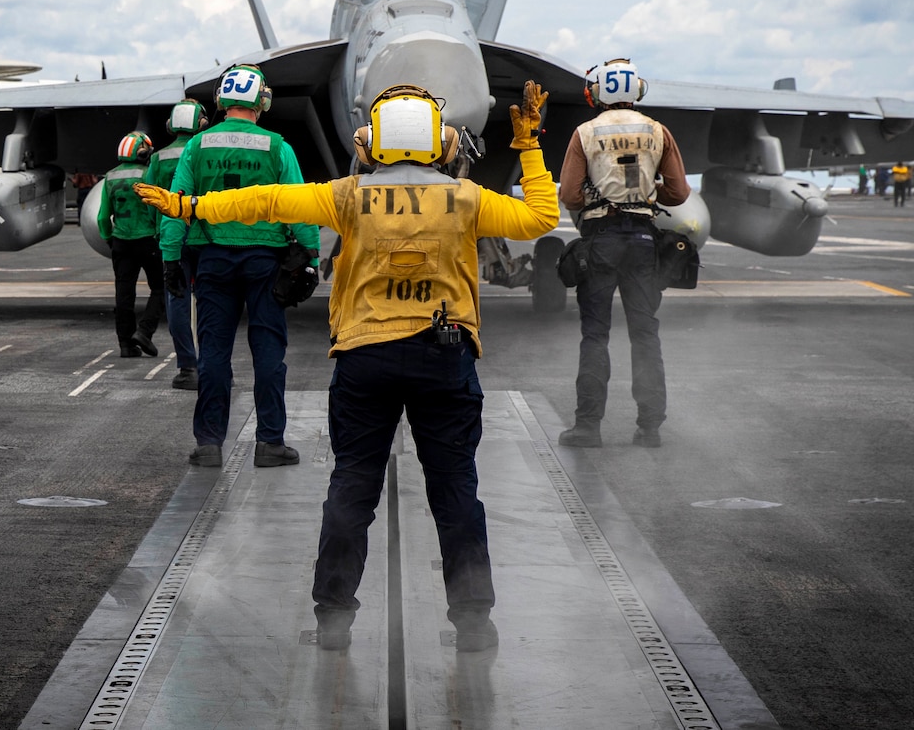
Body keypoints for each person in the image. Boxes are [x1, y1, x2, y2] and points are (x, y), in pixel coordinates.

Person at [137, 80, 558, 652]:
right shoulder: (467, 198)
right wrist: (529, 146)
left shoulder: (348, 196)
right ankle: (475, 625)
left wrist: (192, 207)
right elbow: (541, 218)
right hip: (446, 355)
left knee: (352, 488)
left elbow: (264, 201)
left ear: (372, 142)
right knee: (456, 490)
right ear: (440, 142)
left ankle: (333, 619)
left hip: (365, 356)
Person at [158, 64, 319, 470]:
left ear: (221, 100)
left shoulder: (197, 146)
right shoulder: (277, 146)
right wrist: (310, 257)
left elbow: (176, 206)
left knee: (213, 352)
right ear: (261, 100)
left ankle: (209, 443)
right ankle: (270, 443)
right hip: (265, 260)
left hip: (211, 258)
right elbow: (299, 206)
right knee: (268, 350)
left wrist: (171, 259)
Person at [557, 58, 690, 449]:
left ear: (596, 93)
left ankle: (588, 427)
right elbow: (679, 192)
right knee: (645, 335)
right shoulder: (657, 131)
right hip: (644, 241)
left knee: (595, 335)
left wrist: (595, 197)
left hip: (601, 239)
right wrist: (650, 194)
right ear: (638, 92)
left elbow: (569, 194)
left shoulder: (585, 132)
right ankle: (650, 428)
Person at [149, 99, 209, 390]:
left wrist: (158, 231)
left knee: (177, 299)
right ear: (202, 124)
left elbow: (151, 198)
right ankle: (214, 365)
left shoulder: (158, 159)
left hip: (172, 237)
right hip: (205, 235)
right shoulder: (205, 152)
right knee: (213, 301)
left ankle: (187, 367)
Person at [98, 132, 164, 359]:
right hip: (147, 239)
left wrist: (110, 238)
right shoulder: (148, 175)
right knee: (161, 287)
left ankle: (126, 345)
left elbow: (102, 218)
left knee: (124, 293)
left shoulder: (110, 176)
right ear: (143, 152)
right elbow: (155, 209)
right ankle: (144, 332)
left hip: (121, 242)